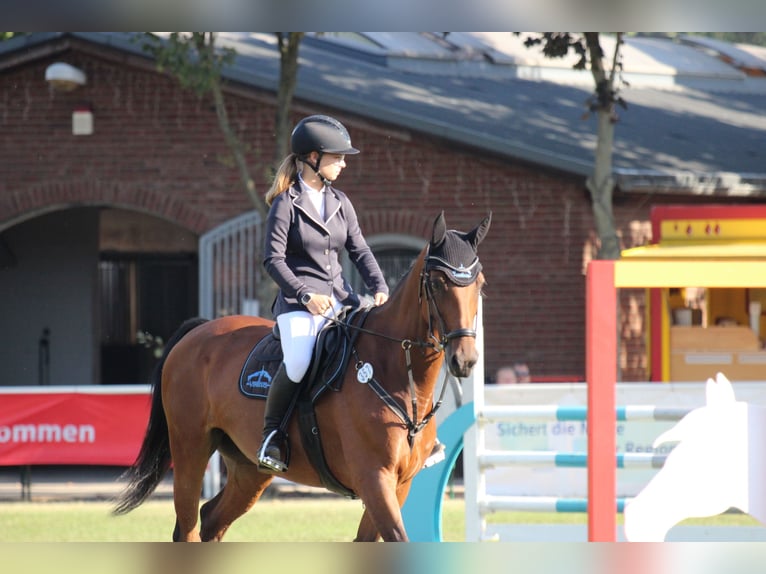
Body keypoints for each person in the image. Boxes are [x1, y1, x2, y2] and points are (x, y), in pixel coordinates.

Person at [257, 114, 390, 474]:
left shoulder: (341, 202)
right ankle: (272, 436)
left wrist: (379, 287)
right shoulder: (286, 204)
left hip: (343, 300)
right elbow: (272, 259)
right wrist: (304, 296)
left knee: (382, 343)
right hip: (299, 305)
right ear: (313, 157)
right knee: (299, 361)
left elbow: (360, 250)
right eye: (337, 157)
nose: (344, 163)